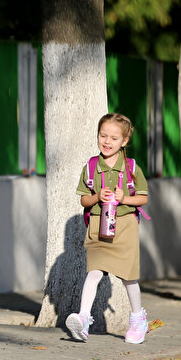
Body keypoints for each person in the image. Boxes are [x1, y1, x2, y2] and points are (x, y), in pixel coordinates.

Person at [66, 113, 150, 344]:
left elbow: (142, 198)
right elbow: (83, 200)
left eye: (113, 138)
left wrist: (124, 198)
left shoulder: (132, 168)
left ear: (124, 141)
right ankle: (83, 319)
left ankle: (137, 319)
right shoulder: (91, 166)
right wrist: (95, 197)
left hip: (125, 227)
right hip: (97, 225)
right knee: (93, 273)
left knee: (128, 277)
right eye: (103, 135)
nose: (107, 141)